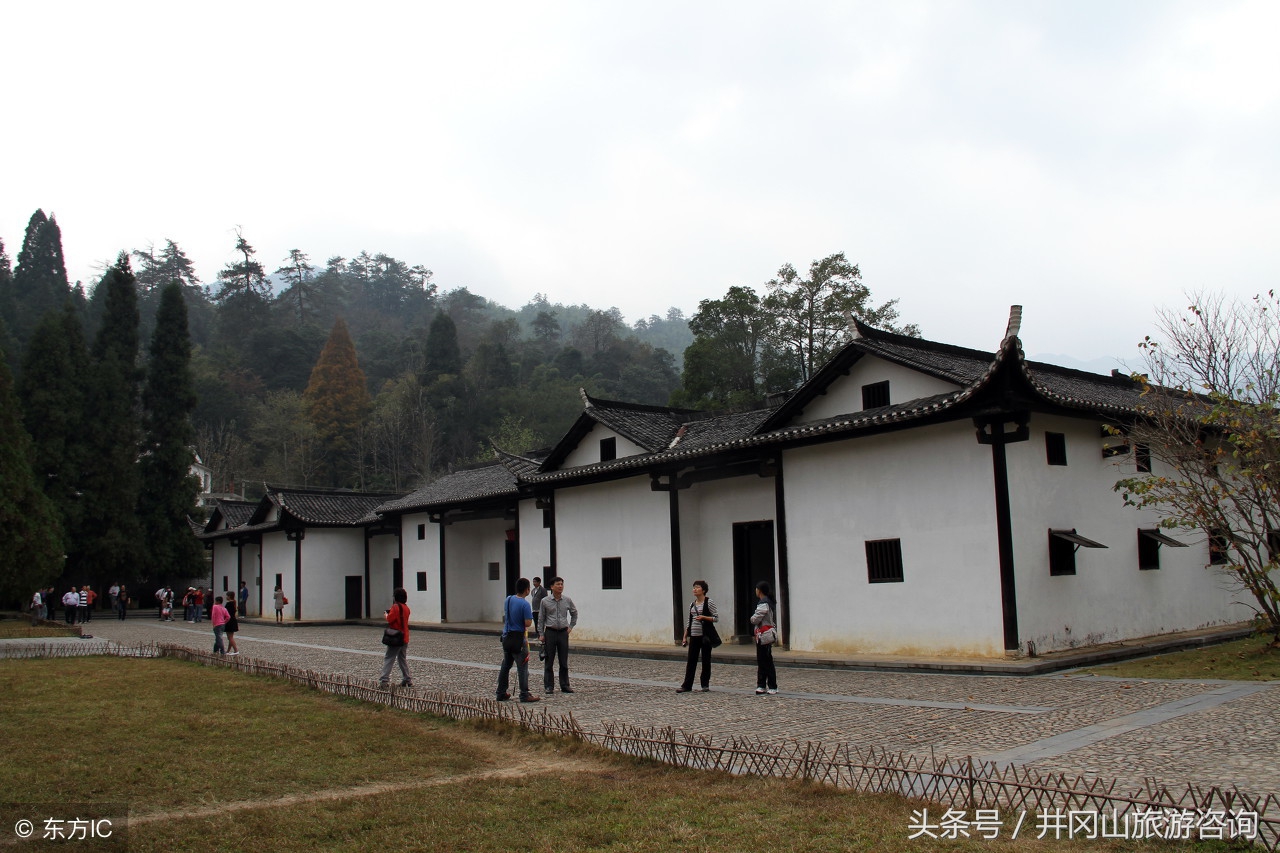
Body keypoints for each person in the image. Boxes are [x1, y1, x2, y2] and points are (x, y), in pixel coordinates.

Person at [496, 578, 539, 703]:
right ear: (527, 589)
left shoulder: (508, 599)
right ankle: (524, 694)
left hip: (506, 637)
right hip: (518, 638)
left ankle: (501, 692)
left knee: (506, 665)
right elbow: (528, 622)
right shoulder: (525, 604)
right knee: (522, 667)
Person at [538, 577, 578, 694]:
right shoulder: (545, 601)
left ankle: (565, 685)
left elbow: (574, 613)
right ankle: (549, 686)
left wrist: (570, 627)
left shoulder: (567, 600)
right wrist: (541, 633)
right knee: (549, 660)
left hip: (563, 633)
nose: (560, 586)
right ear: (552, 587)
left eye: (561, 584)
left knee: (563, 660)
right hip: (550, 632)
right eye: (557, 584)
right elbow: (541, 618)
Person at [677, 580, 718, 693]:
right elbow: (689, 622)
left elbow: (716, 618)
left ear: (703, 590)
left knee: (706, 660)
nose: (694, 589)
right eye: (694, 587)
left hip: (705, 636)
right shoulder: (692, 604)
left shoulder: (709, 602)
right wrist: (685, 637)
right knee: (691, 660)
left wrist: (704, 617)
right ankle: (687, 685)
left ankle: (705, 684)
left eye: (697, 587)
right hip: (694, 635)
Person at [378, 588, 413, 688]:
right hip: (405, 637)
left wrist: (386, 614)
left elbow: (390, 619)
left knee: (389, 658)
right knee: (402, 659)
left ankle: (384, 680)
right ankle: (407, 679)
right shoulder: (407, 608)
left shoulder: (395, 607)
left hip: (396, 637)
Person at [751, 581, 779, 695]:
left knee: (766, 661)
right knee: (763, 660)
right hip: (762, 634)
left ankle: (771, 685)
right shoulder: (767, 602)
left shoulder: (763, 603)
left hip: (765, 634)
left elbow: (756, 618)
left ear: (759, 590)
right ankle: (761, 684)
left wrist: (752, 618)